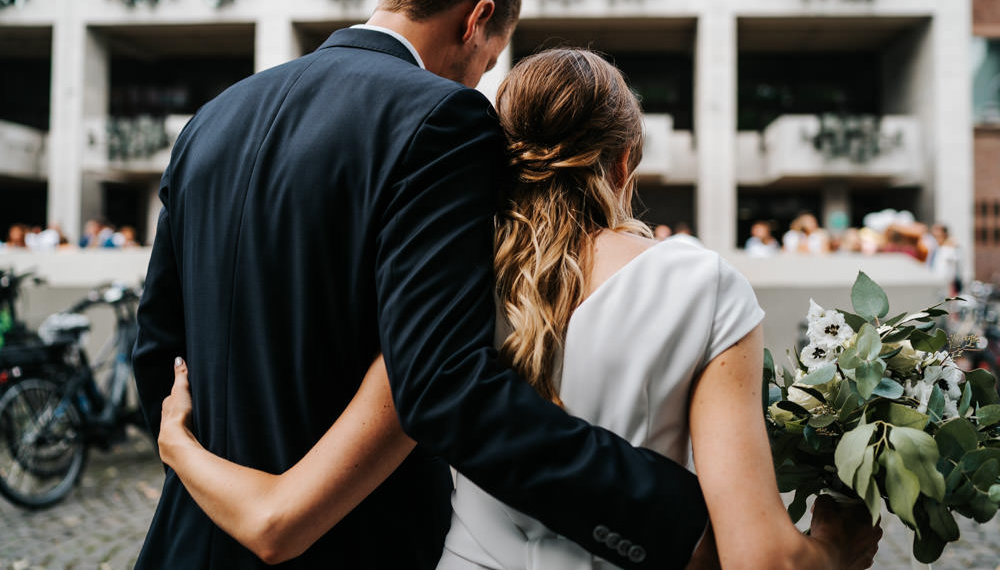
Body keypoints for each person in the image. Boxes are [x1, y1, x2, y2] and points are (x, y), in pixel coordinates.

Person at [157, 49, 882, 569]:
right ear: (625, 161)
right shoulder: (702, 285)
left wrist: (180, 445)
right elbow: (759, 557)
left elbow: (290, 508)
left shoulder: (446, 289)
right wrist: (833, 550)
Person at [134, 0, 712, 570]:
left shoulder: (212, 119)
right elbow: (441, 385)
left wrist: (198, 459)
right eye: (488, 62)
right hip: (353, 546)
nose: (476, 80)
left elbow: (157, 353)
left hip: (191, 538)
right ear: (478, 19)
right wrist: (674, 520)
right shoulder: (444, 118)